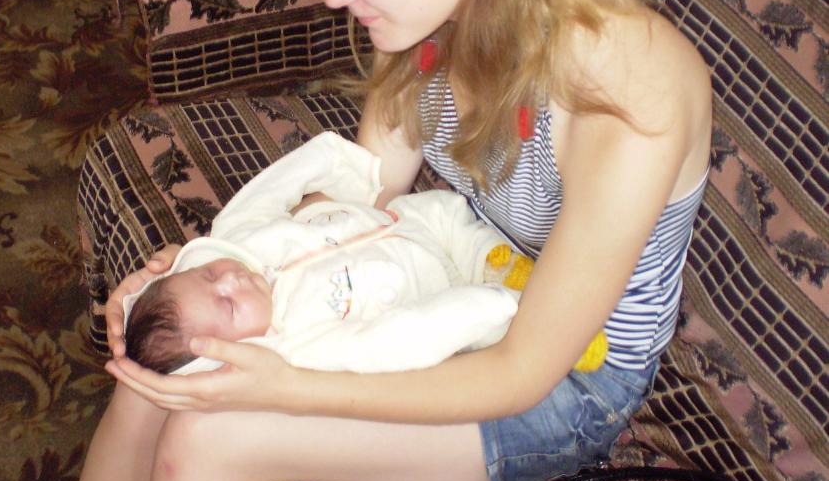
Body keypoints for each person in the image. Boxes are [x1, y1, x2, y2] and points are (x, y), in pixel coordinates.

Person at [69, 0, 711, 481]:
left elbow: (520, 371)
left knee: (203, 444)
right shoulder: (430, 14)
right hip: (457, 283)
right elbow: (359, 193)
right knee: (156, 376)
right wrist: (199, 271)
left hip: (568, 377)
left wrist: (288, 387)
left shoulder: (625, 84)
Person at [123, 131, 607, 377]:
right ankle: (529, 310)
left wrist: (346, 166)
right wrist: (498, 307)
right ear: (235, 354)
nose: (232, 279)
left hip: (410, 219)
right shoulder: (304, 347)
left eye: (208, 275)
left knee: (447, 214)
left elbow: (277, 185)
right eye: (228, 305)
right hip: (440, 286)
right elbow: (398, 337)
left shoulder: (237, 237)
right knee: (472, 328)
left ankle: (498, 260)